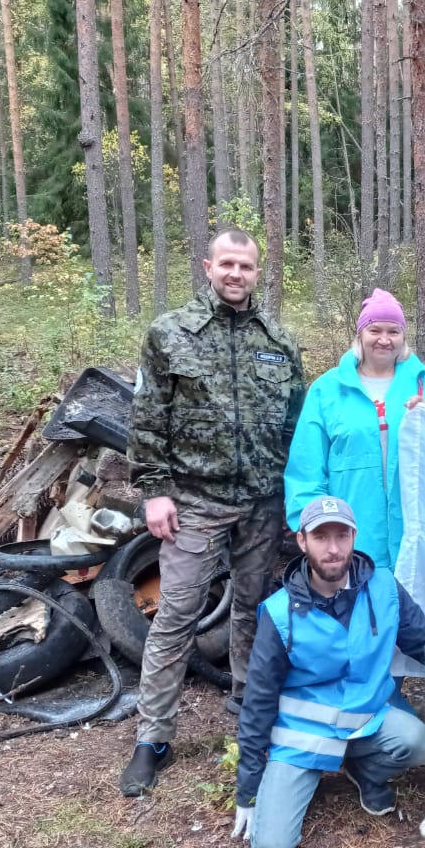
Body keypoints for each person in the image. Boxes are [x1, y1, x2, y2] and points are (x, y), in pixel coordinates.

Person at [120, 228, 305, 797]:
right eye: (226, 264)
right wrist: (154, 490)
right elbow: (148, 417)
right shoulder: (170, 334)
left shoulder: (279, 338)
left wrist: (295, 499)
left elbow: (297, 425)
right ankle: (153, 737)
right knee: (176, 614)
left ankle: (250, 708)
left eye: (245, 267)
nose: (235, 275)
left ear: (257, 271)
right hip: (194, 500)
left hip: (262, 499)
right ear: (207, 266)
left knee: (253, 608)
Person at [231, 496, 425, 848]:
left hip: (367, 720)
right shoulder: (279, 615)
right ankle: (302, 780)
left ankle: (365, 770)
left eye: (342, 536)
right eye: (321, 537)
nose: (333, 549)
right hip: (303, 738)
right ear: (301, 540)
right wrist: (248, 790)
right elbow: (258, 700)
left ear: (354, 537)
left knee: (420, 742)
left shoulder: (384, 588)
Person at [285, 289, 425, 571]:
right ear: (360, 335)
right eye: (375, 330)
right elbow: (306, 469)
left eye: (394, 331)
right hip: (349, 540)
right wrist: (317, 531)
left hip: (417, 540)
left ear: (404, 337)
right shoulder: (327, 390)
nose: (384, 340)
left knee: (408, 614)